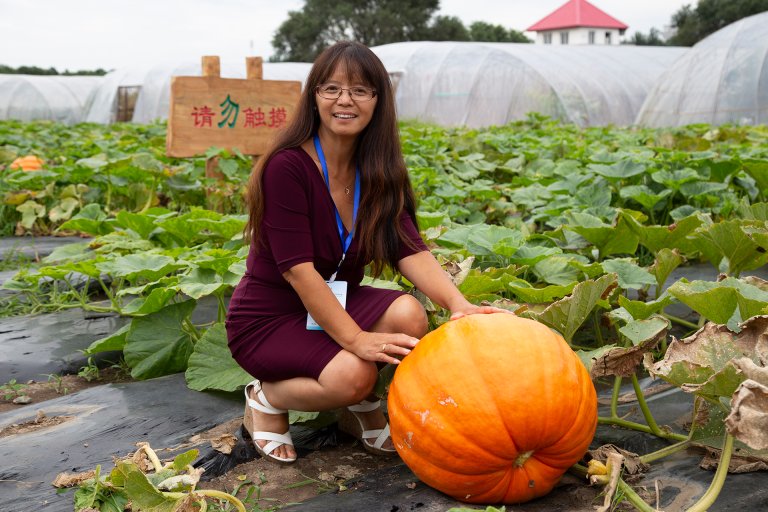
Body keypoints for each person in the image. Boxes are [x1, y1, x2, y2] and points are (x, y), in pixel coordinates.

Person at [226, 41, 507, 464]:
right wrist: (356, 339)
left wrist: (459, 304)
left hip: (332, 302)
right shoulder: (288, 167)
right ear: (314, 96)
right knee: (353, 373)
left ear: (378, 100)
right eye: (332, 88)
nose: (345, 100)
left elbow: (408, 246)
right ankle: (267, 396)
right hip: (268, 317)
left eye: (360, 90)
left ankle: (354, 408)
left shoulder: (377, 168)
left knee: (410, 314)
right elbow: (300, 273)